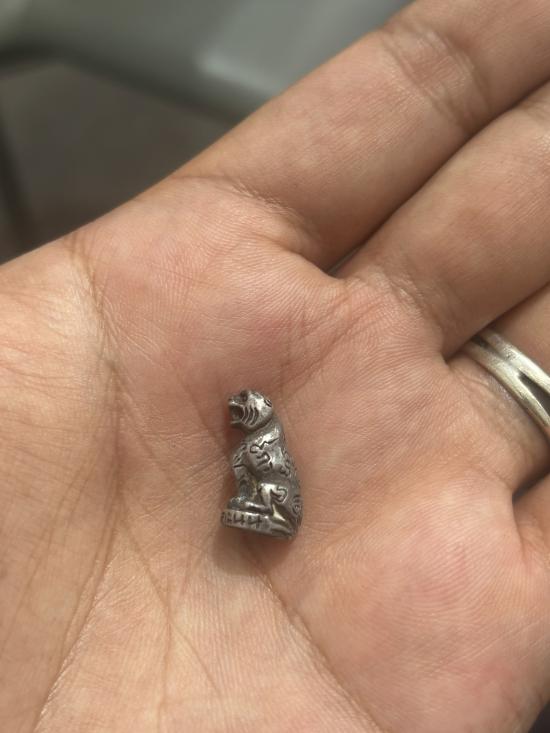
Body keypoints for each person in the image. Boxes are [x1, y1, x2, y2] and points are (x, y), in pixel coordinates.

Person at [2, 1, 550, 730]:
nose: (237, 418)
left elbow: (266, 474)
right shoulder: (256, 440)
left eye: (243, 413)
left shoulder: (263, 440)